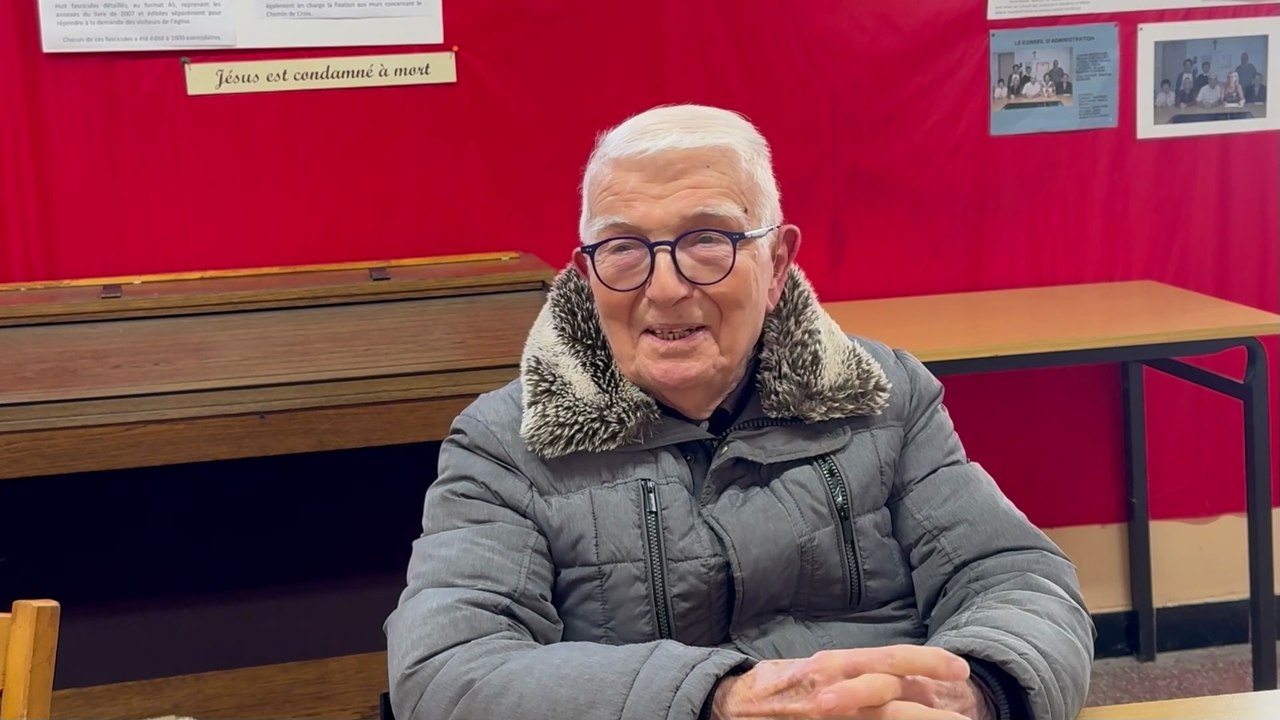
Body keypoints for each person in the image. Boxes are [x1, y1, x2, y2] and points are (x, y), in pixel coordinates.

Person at [384, 104, 1096, 720]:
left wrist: (975, 690)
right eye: (624, 248)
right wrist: (717, 701)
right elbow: (447, 669)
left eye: (707, 241)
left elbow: (1015, 577)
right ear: (586, 272)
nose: (664, 289)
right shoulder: (504, 445)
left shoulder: (886, 396)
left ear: (778, 261)